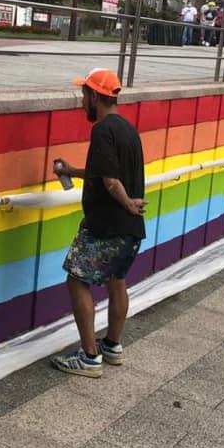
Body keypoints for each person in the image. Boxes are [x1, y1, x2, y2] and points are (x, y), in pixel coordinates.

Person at [51, 68, 147, 378]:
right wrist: (73, 171)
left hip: (105, 224)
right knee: (116, 280)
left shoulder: (103, 130)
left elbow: (109, 181)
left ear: (95, 96)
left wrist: (127, 202)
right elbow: (103, 171)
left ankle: (90, 357)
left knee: (76, 279)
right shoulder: (128, 130)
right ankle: (112, 347)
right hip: (129, 230)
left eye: (84, 95)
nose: (81, 101)